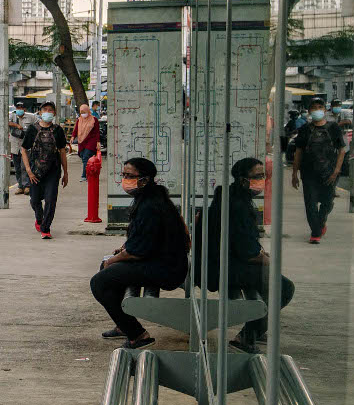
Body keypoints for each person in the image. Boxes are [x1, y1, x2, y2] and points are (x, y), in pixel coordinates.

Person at [90, 158, 189, 349]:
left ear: (144, 180)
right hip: (158, 260)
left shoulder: (150, 206)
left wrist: (113, 260)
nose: (125, 179)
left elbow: (137, 252)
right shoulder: (150, 198)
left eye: (130, 176)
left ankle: (138, 335)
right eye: (124, 175)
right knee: (107, 271)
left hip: (165, 269)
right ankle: (123, 325)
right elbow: (141, 240)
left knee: (99, 281)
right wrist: (122, 251)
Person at [201, 158, 295, 353]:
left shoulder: (232, 197)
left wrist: (258, 253)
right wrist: (266, 260)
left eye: (263, 175)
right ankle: (247, 336)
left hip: (223, 262)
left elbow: (244, 244)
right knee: (284, 287)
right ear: (243, 180)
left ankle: (254, 330)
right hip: (225, 268)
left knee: (270, 281)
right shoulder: (237, 206)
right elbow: (248, 253)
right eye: (257, 176)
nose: (262, 179)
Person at [291, 97, 345, 244]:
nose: (317, 110)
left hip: (329, 173)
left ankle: (321, 223)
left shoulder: (334, 128)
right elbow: (298, 152)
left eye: (319, 107)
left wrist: (336, 171)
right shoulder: (304, 130)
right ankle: (315, 232)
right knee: (310, 203)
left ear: (325, 110)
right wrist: (294, 173)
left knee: (327, 202)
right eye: (313, 108)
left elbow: (341, 150)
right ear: (309, 111)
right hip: (308, 174)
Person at [21, 101, 69, 239]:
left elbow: (62, 151)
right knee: (35, 200)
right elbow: (24, 149)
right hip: (35, 172)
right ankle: (39, 217)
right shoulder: (32, 129)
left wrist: (65, 172)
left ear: (54, 113)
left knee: (51, 200)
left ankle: (46, 228)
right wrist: (29, 170)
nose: (48, 112)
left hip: (53, 172)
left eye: (50, 110)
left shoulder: (58, 130)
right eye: (45, 109)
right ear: (40, 112)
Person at [9, 101, 35, 194]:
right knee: (17, 168)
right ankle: (20, 186)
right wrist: (16, 125)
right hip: (15, 146)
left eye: (21, 108)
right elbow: (5, 122)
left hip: (26, 146)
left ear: (25, 109)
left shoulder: (31, 117)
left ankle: (27, 186)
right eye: (18, 108)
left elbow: (38, 124)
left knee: (25, 166)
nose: (19, 109)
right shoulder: (12, 116)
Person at [72, 103, 101, 183]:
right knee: (83, 156)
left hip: (91, 141)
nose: (83, 114)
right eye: (81, 112)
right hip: (81, 141)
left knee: (85, 157)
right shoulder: (79, 120)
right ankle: (90, 171)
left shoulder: (94, 120)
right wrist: (72, 137)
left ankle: (84, 176)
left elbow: (97, 132)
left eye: (84, 112)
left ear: (88, 111)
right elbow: (76, 129)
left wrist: (98, 142)